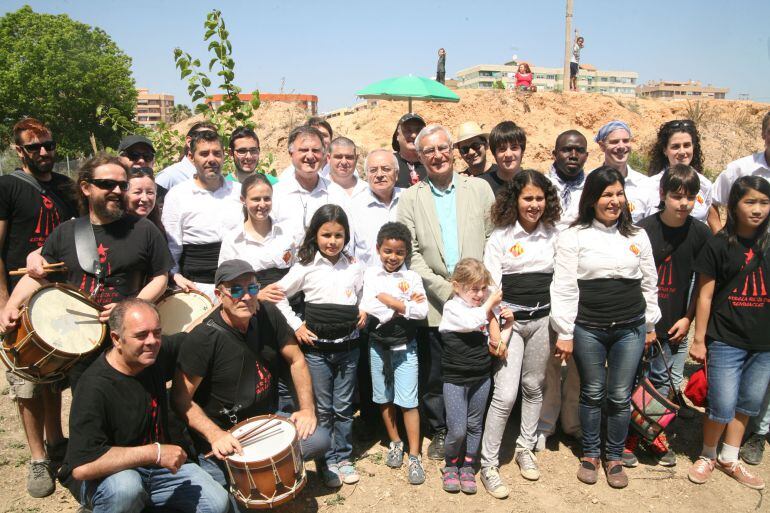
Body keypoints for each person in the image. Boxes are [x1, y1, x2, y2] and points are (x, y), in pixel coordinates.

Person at [0, 154, 173, 390]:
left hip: (130, 341)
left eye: (122, 185)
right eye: (106, 184)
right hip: (81, 344)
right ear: (86, 187)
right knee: (89, 414)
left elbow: (160, 277)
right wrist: (11, 305)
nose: (116, 190)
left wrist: (132, 305)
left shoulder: (144, 229)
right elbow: (38, 277)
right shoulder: (66, 232)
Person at [171, 259, 328, 502]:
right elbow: (181, 398)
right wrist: (214, 435)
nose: (246, 296)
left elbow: (296, 360)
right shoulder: (203, 338)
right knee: (223, 493)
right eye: (236, 290)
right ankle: (213, 469)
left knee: (319, 440)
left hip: (265, 421)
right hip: (225, 432)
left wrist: (307, 409)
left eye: (252, 288)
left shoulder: (268, 313)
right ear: (218, 295)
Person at [59, 298, 229, 513]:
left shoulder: (153, 353)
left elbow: (193, 333)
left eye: (157, 332)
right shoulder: (94, 387)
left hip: (158, 469)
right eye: (141, 335)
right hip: (109, 475)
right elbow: (82, 468)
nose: (152, 341)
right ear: (116, 339)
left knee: (217, 503)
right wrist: (155, 453)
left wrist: (230, 301)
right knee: (126, 489)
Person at [550, 166, 660, 489]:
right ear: (592, 199)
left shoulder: (637, 235)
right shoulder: (574, 236)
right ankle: (590, 453)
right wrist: (566, 332)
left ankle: (614, 455)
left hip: (631, 327)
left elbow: (649, 282)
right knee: (593, 391)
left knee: (619, 394)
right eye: (606, 195)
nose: (613, 201)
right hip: (589, 328)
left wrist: (650, 322)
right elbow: (565, 286)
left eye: (618, 194)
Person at [397, 124, 495, 460]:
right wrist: (448, 292)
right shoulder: (411, 198)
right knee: (438, 372)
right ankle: (441, 430)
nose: (437, 156)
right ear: (419, 157)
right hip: (438, 304)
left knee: (477, 369)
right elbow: (410, 253)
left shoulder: (479, 189)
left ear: (451, 150)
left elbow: (492, 239)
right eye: (429, 151)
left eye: (442, 148)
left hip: (479, 299)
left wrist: (479, 292)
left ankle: (473, 431)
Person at [0, 118, 77, 498]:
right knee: (28, 382)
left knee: (55, 375)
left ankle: (57, 439)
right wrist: (3, 303)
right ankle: (37, 456)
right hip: (22, 297)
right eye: (35, 148)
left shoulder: (66, 187)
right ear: (20, 150)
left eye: (48, 145)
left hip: (62, 296)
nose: (44, 153)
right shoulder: (7, 186)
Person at [624, 164, 712, 469]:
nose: (684, 203)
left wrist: (688, 319)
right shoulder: (644, 229)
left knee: (661, 382)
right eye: (677, 196)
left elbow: (699, 284)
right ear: (663, 195)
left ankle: (652, 433)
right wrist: (644, 322)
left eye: (690, 197)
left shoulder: (699, 233)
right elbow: (632, 279)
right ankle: (629, 437)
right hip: (639, 322)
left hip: (674, 322)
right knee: (634, 378)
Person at [272, 205, 366, 487]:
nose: (332, 241)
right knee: (323, 408)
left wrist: (364, 309)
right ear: (315, 235)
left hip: (349, 348)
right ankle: (326, 462)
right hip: (317, 354)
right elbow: (277, 295)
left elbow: (365, 293)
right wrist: (296, 325)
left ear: (346, 236)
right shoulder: (306, 265)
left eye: (339, 235)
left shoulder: (354, 265)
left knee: (344, 406)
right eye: (326, 234)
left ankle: (344, 456)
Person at [480, 170, 560, 498]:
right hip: (511, 324)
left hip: (543, 321)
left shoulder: (554, 234)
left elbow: (562, 280)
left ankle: (525, 446)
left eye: (539, 198)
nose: (534, 204)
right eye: (527, 198)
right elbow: (491, 286)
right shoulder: (500, 237)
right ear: (515, 200)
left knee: (533, 385)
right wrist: (497, 325)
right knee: (506, 393)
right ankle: (488, 463)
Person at [687, 176, 770, 491]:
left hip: (763, 341)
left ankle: (729, 457)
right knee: (721, 402)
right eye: (750, 202)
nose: (757, 209)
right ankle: (708, 454)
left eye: (763, 202)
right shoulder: (719, 243)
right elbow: (705, 295)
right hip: (725, 337)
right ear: (735, 205)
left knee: (748, 402)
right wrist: (699, 338)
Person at [360, 222, 428, 484]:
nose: (393, 257)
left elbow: (422, 312)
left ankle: (414, 454)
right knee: (384, 396)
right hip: (377, 345)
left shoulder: (412, 278)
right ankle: (395, 441)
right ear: (378, 249)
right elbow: (366, 304)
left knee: (408, 400)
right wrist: (404, 306)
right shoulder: (370, 275)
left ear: (406, 253)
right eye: (388, 251)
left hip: (405, 347)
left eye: (399, 252)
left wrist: (390, 302)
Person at [536, 130, 589, 448]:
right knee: (550, 358)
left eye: (579, 150)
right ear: (555, 152)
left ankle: (572, 421)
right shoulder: (542, 185)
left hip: (582, 280)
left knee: (579, 358)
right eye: (567, 149)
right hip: (547, 277)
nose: (573, 155)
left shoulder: (592, 185)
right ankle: (545, 424)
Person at [438, 258, 505, 494]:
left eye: (482, 288)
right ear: (457, 286)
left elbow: (497, 325)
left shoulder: (482, 308)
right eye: (473, 289)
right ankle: (450, 464)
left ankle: (468, 465)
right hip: (455, 379)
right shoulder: (452, 308)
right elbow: (470, 322)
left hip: (480, 377)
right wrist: (488, 305)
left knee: (476, 425)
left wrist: (505, 321)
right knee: (458, 429)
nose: (479, 294)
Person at [162, 130, 242, 300]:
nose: (211, 159)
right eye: (204, 154)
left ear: (224, 156)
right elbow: (172, 246)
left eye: (217, 153)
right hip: (197, 288)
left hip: (238, 285)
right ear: (191, 157)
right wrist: (175, 276)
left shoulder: (238, 192)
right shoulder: (177, 196)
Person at [218, 173, 297, 297]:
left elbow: (297, 271)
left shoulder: (287, 233)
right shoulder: (232, 240)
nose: (262, 204)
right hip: (250, 307)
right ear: (243, 200)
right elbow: (224, 284)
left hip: (289, 303)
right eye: (256, 199)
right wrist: (257, 295)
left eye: (267, 198)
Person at [271, 126, 350, 245]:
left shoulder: (337, 194)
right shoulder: (275, 195)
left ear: (323, 154)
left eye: (316, 150)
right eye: (303, 150)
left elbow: (348, 240)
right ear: (291, 153)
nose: (310, 156)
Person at [708, 111, 770, 234]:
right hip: (746, 250)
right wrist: (721, 241)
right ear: (763, 134)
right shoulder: (740, 169)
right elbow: (710, 201)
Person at [646, 119, 713, 223]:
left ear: (693, 147)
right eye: (675, 146)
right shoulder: (649, 187)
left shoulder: (705, 185)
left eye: (686, 145)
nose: (682, 152)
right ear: (664, 150)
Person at [351, 149, 402, 266]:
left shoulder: (409, 199)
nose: (379, 175)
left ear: (397, 174)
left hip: (407, 281)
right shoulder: (354, 206)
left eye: (386, 169)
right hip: (368, 281)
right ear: (366, 175)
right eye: (373, 170)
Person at [595, 120, 654, 223]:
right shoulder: (590, 181)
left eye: (626, 141)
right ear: (602, 146)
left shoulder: (646, 185)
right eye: (615, 142)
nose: (621, 146)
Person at [154, 121, 218, 196]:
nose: (210, 144)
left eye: (213, 139)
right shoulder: (169, 177)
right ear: (189, 142)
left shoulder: (215, 177)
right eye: (205, 138)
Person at [480, 121, 527, 196]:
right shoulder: (482, 185)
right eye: (502, 149)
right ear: (494, 154)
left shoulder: (533, 183)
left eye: (514, 148)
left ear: (522, 151)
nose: (508, 154)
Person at [279, 117, 333, 182]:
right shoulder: (288, 176)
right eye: (314, 134)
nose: (320, 139)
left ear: (331, 139)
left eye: (324, 135)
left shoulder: (340, 168)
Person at [392, 113, 427, 188]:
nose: (414, 135)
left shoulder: (431, 163)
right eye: (408, 130)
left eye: (419, 130)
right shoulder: (389, 163)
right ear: (397, 135)